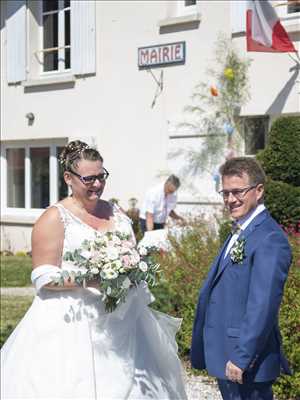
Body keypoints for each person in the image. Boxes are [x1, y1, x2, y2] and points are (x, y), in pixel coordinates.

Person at [1, 141, 187, 400]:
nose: (98, 184)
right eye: (89, 179)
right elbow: (42, 277)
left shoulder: (117, 214)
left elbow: (131, 254)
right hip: (70, 322)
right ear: (69, 177)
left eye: (102, 176)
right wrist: (90, 278)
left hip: (122, 318)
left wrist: (131, 270)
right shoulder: (54, 218)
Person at [191, 157, 292, 400]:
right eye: (225, 193)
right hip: (227, 354)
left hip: (246, 362)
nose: (230, 199)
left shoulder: (270, 239)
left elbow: (263, 305)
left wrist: (241, 357)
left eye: (238, 192)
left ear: (258, 191)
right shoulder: (240, 229)